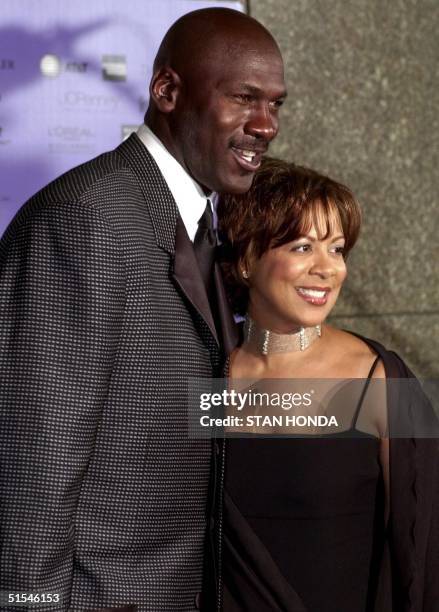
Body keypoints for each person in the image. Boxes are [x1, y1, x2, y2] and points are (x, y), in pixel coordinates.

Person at [0, 9, 286, 612]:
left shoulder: (205, 225)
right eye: (244, 99)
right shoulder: (87, 218)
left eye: (276, 106)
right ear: (167, 92)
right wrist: (31, 604)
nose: (266, 125)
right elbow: (38, 450)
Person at [217, 158, 439, 611]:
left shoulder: (379, 378)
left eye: (337, 249)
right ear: (246, 258)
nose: (328, 269)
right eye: (303, 247)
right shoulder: (208, 372)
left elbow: (428, 553)